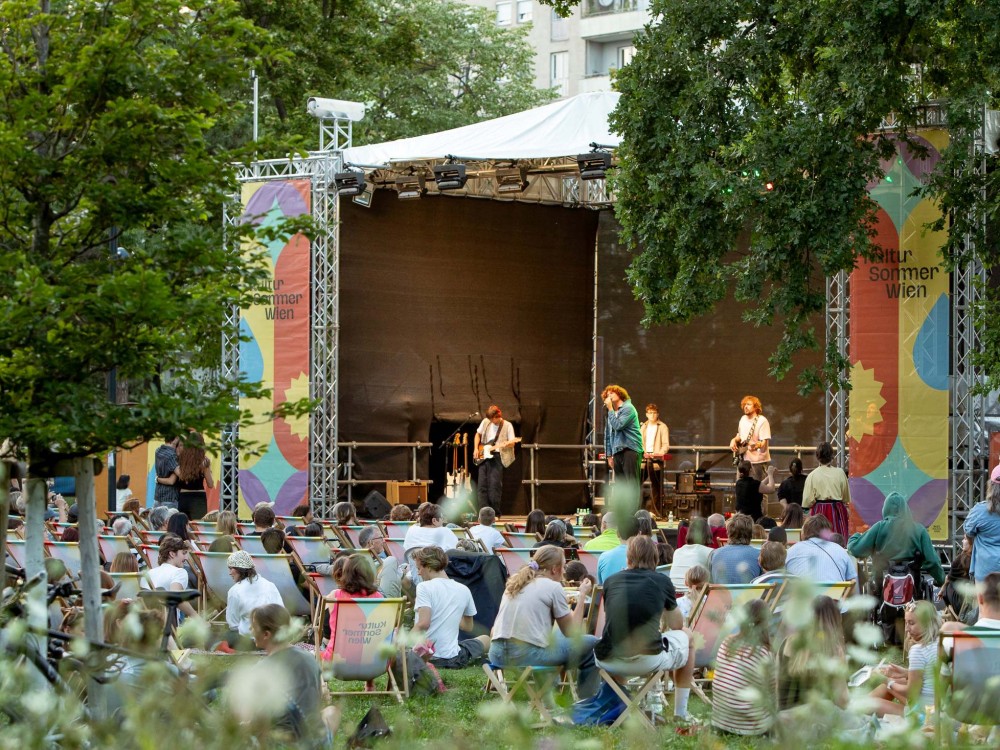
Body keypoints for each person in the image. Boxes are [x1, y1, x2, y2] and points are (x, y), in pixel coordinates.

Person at [594, 536, 697, 722]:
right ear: (656, 559)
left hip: (608, 658)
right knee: (688, 636)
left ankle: (622, 707)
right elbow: (677, 626)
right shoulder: (662, 581)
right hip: (647, 658)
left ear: (628, 558)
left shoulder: (611, 581)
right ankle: (680, 713)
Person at [488, 545, 598, 697]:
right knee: (591, 642)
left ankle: (552, 688)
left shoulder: (515, 583)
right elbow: (571, 632)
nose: (565, 571)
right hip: (523, 655)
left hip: (496, 653)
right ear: (554, 569)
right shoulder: (553, 587)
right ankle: (587, 700)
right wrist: (582, 596)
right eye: (564, 566)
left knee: (555, 637)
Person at [244, 603, 325, 742]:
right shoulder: (309, 657)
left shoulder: (262, 669)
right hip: (315, 738)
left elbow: (256, 718)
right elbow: (319, 698)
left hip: (283, 740)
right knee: (330, 713)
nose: (250, 630)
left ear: (266, 634)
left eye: (253, 627)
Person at [846, 491, 945, 588]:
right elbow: (932, 561)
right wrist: (940, 580)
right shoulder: (919, 530)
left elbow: (855, 549)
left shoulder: (878, 527)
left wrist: (856, 536)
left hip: (881, 585)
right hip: (912, 585)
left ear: (885, 509)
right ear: (906, 509)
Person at [411, 546, 489, 669]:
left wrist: (402, 642)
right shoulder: (464, 590)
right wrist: (449, 614)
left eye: (419, 568)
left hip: (425, 655)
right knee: (485, 639)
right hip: (452, 658)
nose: (419, 572)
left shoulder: (423, 587)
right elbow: (468, 627)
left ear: (429, 566)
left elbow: (423, 624)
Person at [711, 598, 776, 736]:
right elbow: (772, 693)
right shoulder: (762, 652)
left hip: (719, 721)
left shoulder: (727, 642)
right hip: (748, 728)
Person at [868, 600, 940, 717]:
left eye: (911, 623)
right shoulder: (939, 643)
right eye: (906, 623)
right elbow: (929, 675)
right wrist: (905, 673)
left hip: (923, 715)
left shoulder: (918, 650)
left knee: (868, 704)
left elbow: (912, 693)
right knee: (894, 682)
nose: (907, 629)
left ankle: (854, 714)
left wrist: (886, 681)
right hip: (937, 708)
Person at [320, 553, 384, 664]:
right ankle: (369, 681)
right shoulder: (378, 597)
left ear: (345, 574)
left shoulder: (334, 596)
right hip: (372, 662)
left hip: (337, 662)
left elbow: (321, 624)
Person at [225, 550, 282, 649]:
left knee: (228, 635)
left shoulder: (234, 591)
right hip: (272, 639)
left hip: (249, 640)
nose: (230, 573)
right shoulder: (270, 585)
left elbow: (233, 624)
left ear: (239, 569)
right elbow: (281, 611)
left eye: (231, 569)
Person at [784, 514, 857, 584]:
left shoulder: (791, 551)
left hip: (801, 595)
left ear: (803, 532)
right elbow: (852, 582)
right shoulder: (840, 550)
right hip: (835, 595)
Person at [140, 534, 198, 619]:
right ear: (172, 554)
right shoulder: (179, 572)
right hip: (170, 625)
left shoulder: (147, 574)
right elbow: (176, 597)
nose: (186, 557)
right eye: (183, 553)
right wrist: (198, 618)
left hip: (149, 624)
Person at [801, 442, 851, 539]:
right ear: (832, 456)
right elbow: (845, 497)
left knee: (819, 539)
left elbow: (806, 502)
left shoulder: (812, 475)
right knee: (838, 539)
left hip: (819, 510)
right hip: (837, 510)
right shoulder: (840, 473)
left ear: (817, 456)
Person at [474, 404, 517, 512]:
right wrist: (475, 448)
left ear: (498, 415)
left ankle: (494, 513)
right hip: (484, 455)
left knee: (494, 486)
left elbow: (512, 443)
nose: (492, 421)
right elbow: (477, 434)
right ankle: (482, 512)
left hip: (497, 456)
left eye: (493, 419)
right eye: (490, 419)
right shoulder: (485, 422)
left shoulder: (507, 425)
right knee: (481, 486)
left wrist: (505, 444)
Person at [963, 464, 1000, 581]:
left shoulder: (980, 511)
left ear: (991, 486)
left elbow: (968, 532)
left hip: (985, 571)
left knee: (984, 599)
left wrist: (971, 544)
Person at [602, 384, 642, 488]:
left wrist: (610, 408)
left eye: (612, 393)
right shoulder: (612, 413)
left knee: (631, 484)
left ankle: (633, 505)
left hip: (630, 450)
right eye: (607, 394)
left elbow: (618, 426)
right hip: (617, 451)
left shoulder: (628, 408)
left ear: (619, 394)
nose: (609, 395)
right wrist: (609, 455)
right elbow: (607, 436)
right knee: (621, 486)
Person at [709, 514, 762, 584]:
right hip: (748, 594)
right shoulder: (759, 555)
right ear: (751, 533)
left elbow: (711, 581)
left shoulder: (714, 554)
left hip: (721, 594)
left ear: (728, 532)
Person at [729, 395, 771, 480]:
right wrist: (733, 440)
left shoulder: (762, 421)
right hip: (743, 461)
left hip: (757, 462)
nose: (745, 407)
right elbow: (740, 436)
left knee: (757, 489)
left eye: (748, 404)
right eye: (744, 404)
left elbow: (763, 442)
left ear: (756, 407)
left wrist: (757, 445)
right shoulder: (743, 419)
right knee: (741, 488)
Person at [176, 431, 214, 520]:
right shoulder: (204, 461)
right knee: (197, 528)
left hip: (183, 497)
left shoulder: (181, 459)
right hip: (198, 498)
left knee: (183, 526)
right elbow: (210, 484)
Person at [670, 517, 714, 592]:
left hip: (675, 596)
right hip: (696, 597)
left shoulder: (677, 551)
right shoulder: (710, 552)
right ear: (708, 533)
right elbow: (715, 580)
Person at [640, 403, 670, 512]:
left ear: (658, 414)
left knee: (656, 486)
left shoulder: (662, 427)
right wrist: (643, 452)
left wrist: (659, 454)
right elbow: (639, 443)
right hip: (644, 459)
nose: (652, 415)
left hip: (656, 461)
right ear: (646, 414)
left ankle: (656, 512)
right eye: (650, 413)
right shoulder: (643, 426)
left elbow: (666, 445)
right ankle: (638, 509)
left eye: (654, 413)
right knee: (637, 484)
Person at [358, 525, 402, 598]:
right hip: (383, 599)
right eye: (380, 538)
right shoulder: (378, 563)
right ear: (371, 543)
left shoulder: (357, 561)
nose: (383, 540)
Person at [595, 515, 639, 584]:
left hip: (610, 594)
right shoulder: (644, 557)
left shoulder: (603, 557)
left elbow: (600, 586)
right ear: (639, 534)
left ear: (618, 533)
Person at [153, 435, 182, 508]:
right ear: (175, 439)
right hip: (170, 497)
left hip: (158, 495)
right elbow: (178, 476)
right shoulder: (172, 455)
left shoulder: (158, 451)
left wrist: (157, 479)